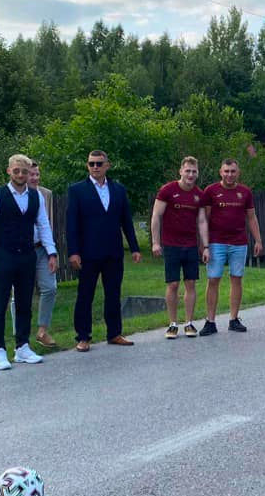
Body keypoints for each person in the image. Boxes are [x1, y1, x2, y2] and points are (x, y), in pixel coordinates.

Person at [0, 154, 57, 370]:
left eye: (25, 171)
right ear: (9, 171)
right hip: (4, 255)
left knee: (24, 303)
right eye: (17, 171)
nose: (21, 175)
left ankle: (22, 347)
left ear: (29, 173)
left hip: (27, 256)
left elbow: (43, 225)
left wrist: (52, 252)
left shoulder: (36, 197)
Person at [66, 150, 142, 352]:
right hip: (88, 253)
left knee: (113, 294)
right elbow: (71, 224)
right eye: (91, 163)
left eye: (99, 163)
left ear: (107, 165)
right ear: (87, 165)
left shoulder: (118, 190)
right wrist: (73, 252)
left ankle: (114, 333)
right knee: (85, 296)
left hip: (113, 252)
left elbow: (126, 221)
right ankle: (83, 337)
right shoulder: (77, 190)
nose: (95, 167)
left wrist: (134, 247)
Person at [200, 159, 263, 335]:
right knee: (213, 279)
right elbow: (204, 219)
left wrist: (258, 240)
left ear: (238, 172)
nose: (229, 174)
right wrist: (204, 245)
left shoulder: (245, 192)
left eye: (233, 171)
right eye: (226, 171)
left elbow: (251, 217)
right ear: (220, 172)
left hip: (239, 242)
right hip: (216, 242)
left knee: (237, 278)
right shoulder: (211, 191)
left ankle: (234, 319)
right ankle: (210, 321)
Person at [151, 157, 210, 339]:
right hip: (171, 245)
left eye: (194, 171)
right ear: (181, 171)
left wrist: (205, 246)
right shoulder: (168, 190)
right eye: (188, 171)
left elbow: (202, 221)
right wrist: (155, 242)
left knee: (190, 283)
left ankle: (189, 323)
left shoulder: (199, 195)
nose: (190, 175)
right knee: (173, 284)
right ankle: (173, 324)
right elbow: (156, 216)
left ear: (197, 173)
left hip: (190, 245)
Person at [28, 160, 59, 348]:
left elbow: (48, 223)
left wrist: (51, 252)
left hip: (42, 249)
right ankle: (21, 338)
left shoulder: (46, 194)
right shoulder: (10, 196)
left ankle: (42, 331)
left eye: (37, 174)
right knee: (20, 295)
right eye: (31, 174)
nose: (34, 178)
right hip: (22, 251)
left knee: (50, 288)